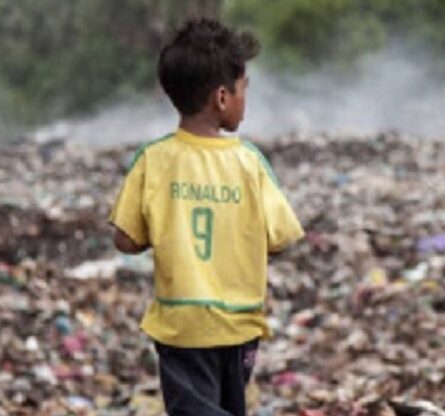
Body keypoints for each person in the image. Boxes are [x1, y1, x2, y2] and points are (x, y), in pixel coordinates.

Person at [108, 18, 305, 416]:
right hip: (241, 326)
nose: (244, 101)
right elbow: (281, 239)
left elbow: (125, 240)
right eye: (243, 90)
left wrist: (166, 228)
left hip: (183, 326)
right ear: (221, 97)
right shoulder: (250, 163)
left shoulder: (153, 160)